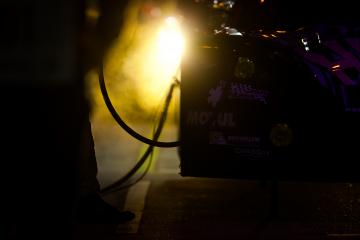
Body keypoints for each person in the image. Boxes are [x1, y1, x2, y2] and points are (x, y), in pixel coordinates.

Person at [1, 0, 134, 236]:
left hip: (57, 85)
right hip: (56, 82)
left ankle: (82, 195)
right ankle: (82, 196)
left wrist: (100, 40)